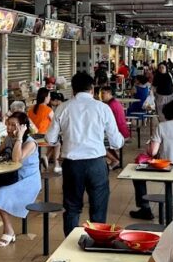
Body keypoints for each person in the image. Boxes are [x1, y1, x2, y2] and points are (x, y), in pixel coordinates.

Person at [46, 71, 125, 234]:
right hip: (96, 164)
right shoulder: (103, 108)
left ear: (73, 90)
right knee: (98, 209)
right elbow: (116, 142)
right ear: (92, 90)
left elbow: (50, 139)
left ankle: (70, 249)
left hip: (72, 165)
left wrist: (60, 140)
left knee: (72, 208)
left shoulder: (63, 107)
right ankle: (96, 246)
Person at [0, 112, 42, 247]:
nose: (9, 128)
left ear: (23, 127)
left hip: (27, 180)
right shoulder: (8, 138)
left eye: (13, 125)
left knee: (2, 194)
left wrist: (19, 138)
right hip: (10, 176)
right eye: (8, 124)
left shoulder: (30, 143)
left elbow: (16, 159)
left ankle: (9, 231)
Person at [28, 88, 60, 171]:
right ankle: (56, 165)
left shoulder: (31, 109)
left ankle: (45, 157)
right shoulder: (48, 110)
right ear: (45, 97)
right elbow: (55, 123)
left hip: (32, 137)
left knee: (53, 140)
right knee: (58, 143)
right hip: (42, 138)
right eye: (49, 96)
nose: (50, 98)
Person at [99, 85, 131, 169]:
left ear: (109, 93)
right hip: (123, 131)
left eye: (103, 93)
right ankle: (115, 159)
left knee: (98, 142)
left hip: (120, 133)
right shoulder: (115, 103)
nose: (101, 96)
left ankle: (115, 160)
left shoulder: (110, 106)